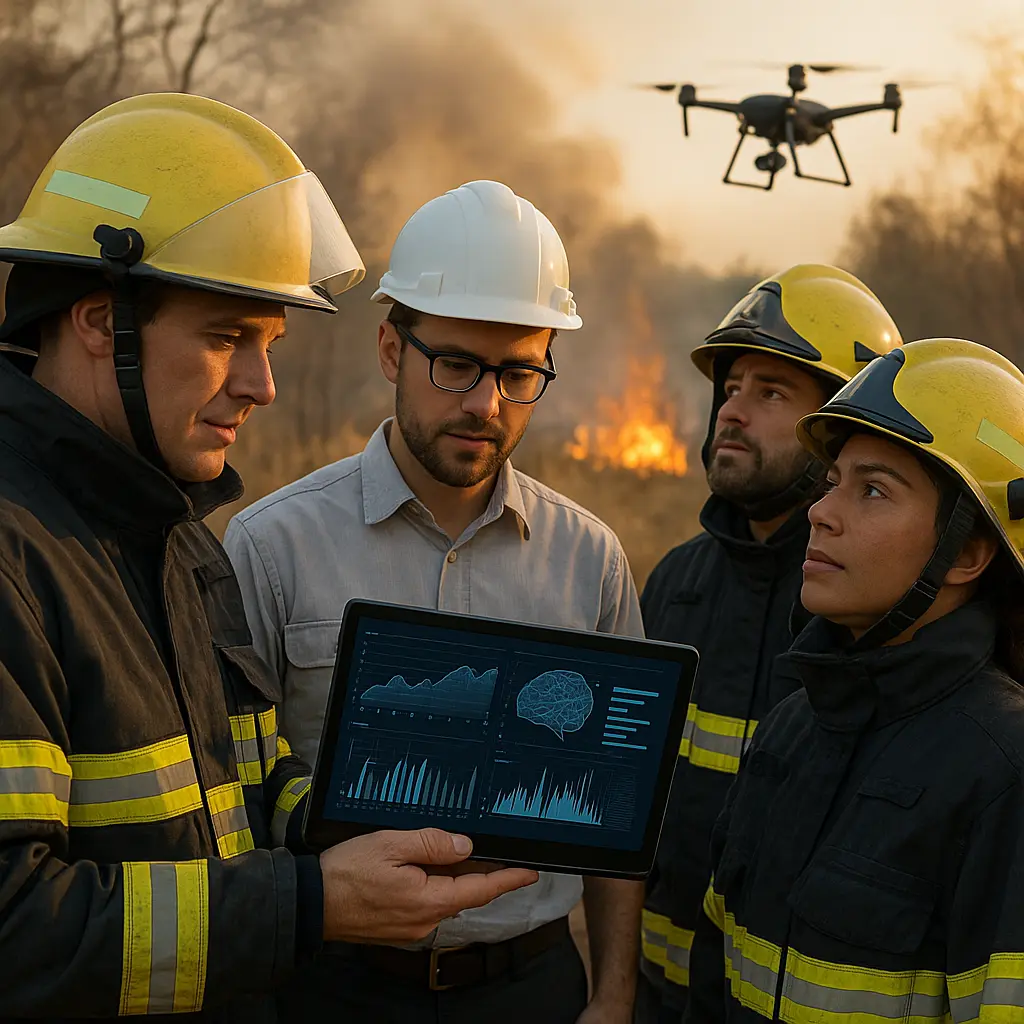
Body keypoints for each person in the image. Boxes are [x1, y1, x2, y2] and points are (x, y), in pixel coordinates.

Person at [0, 96, 536, 1020]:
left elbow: (247, 781)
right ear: (98, 319)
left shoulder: (177, 543)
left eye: (270, 344)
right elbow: (16, 933)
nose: (263, 385)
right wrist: (315, 904)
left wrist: (392, 824)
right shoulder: (17, 558)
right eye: (224, 338)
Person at [224, 179, 644, 1024]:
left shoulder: (590, 560)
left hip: (531, 989)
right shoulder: (271, 549)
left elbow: (621, 807)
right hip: (333, 987)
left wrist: (613, 994)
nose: (486, 404)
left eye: (521, 372)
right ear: (390, 349)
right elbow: (227, 802)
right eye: (455, 364)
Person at [686, 338, 1024, 1023]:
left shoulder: (1004, 773)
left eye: (872, 490)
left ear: (967, 551)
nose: (821, 512)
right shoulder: (791, 729)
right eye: (830, 482)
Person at [636, 266, 903, 1023]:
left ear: (843, 431)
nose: (734, 412)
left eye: (772, 393)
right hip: (660, 999)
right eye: (731, 388)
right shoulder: (674, 585)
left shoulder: (868, 604)